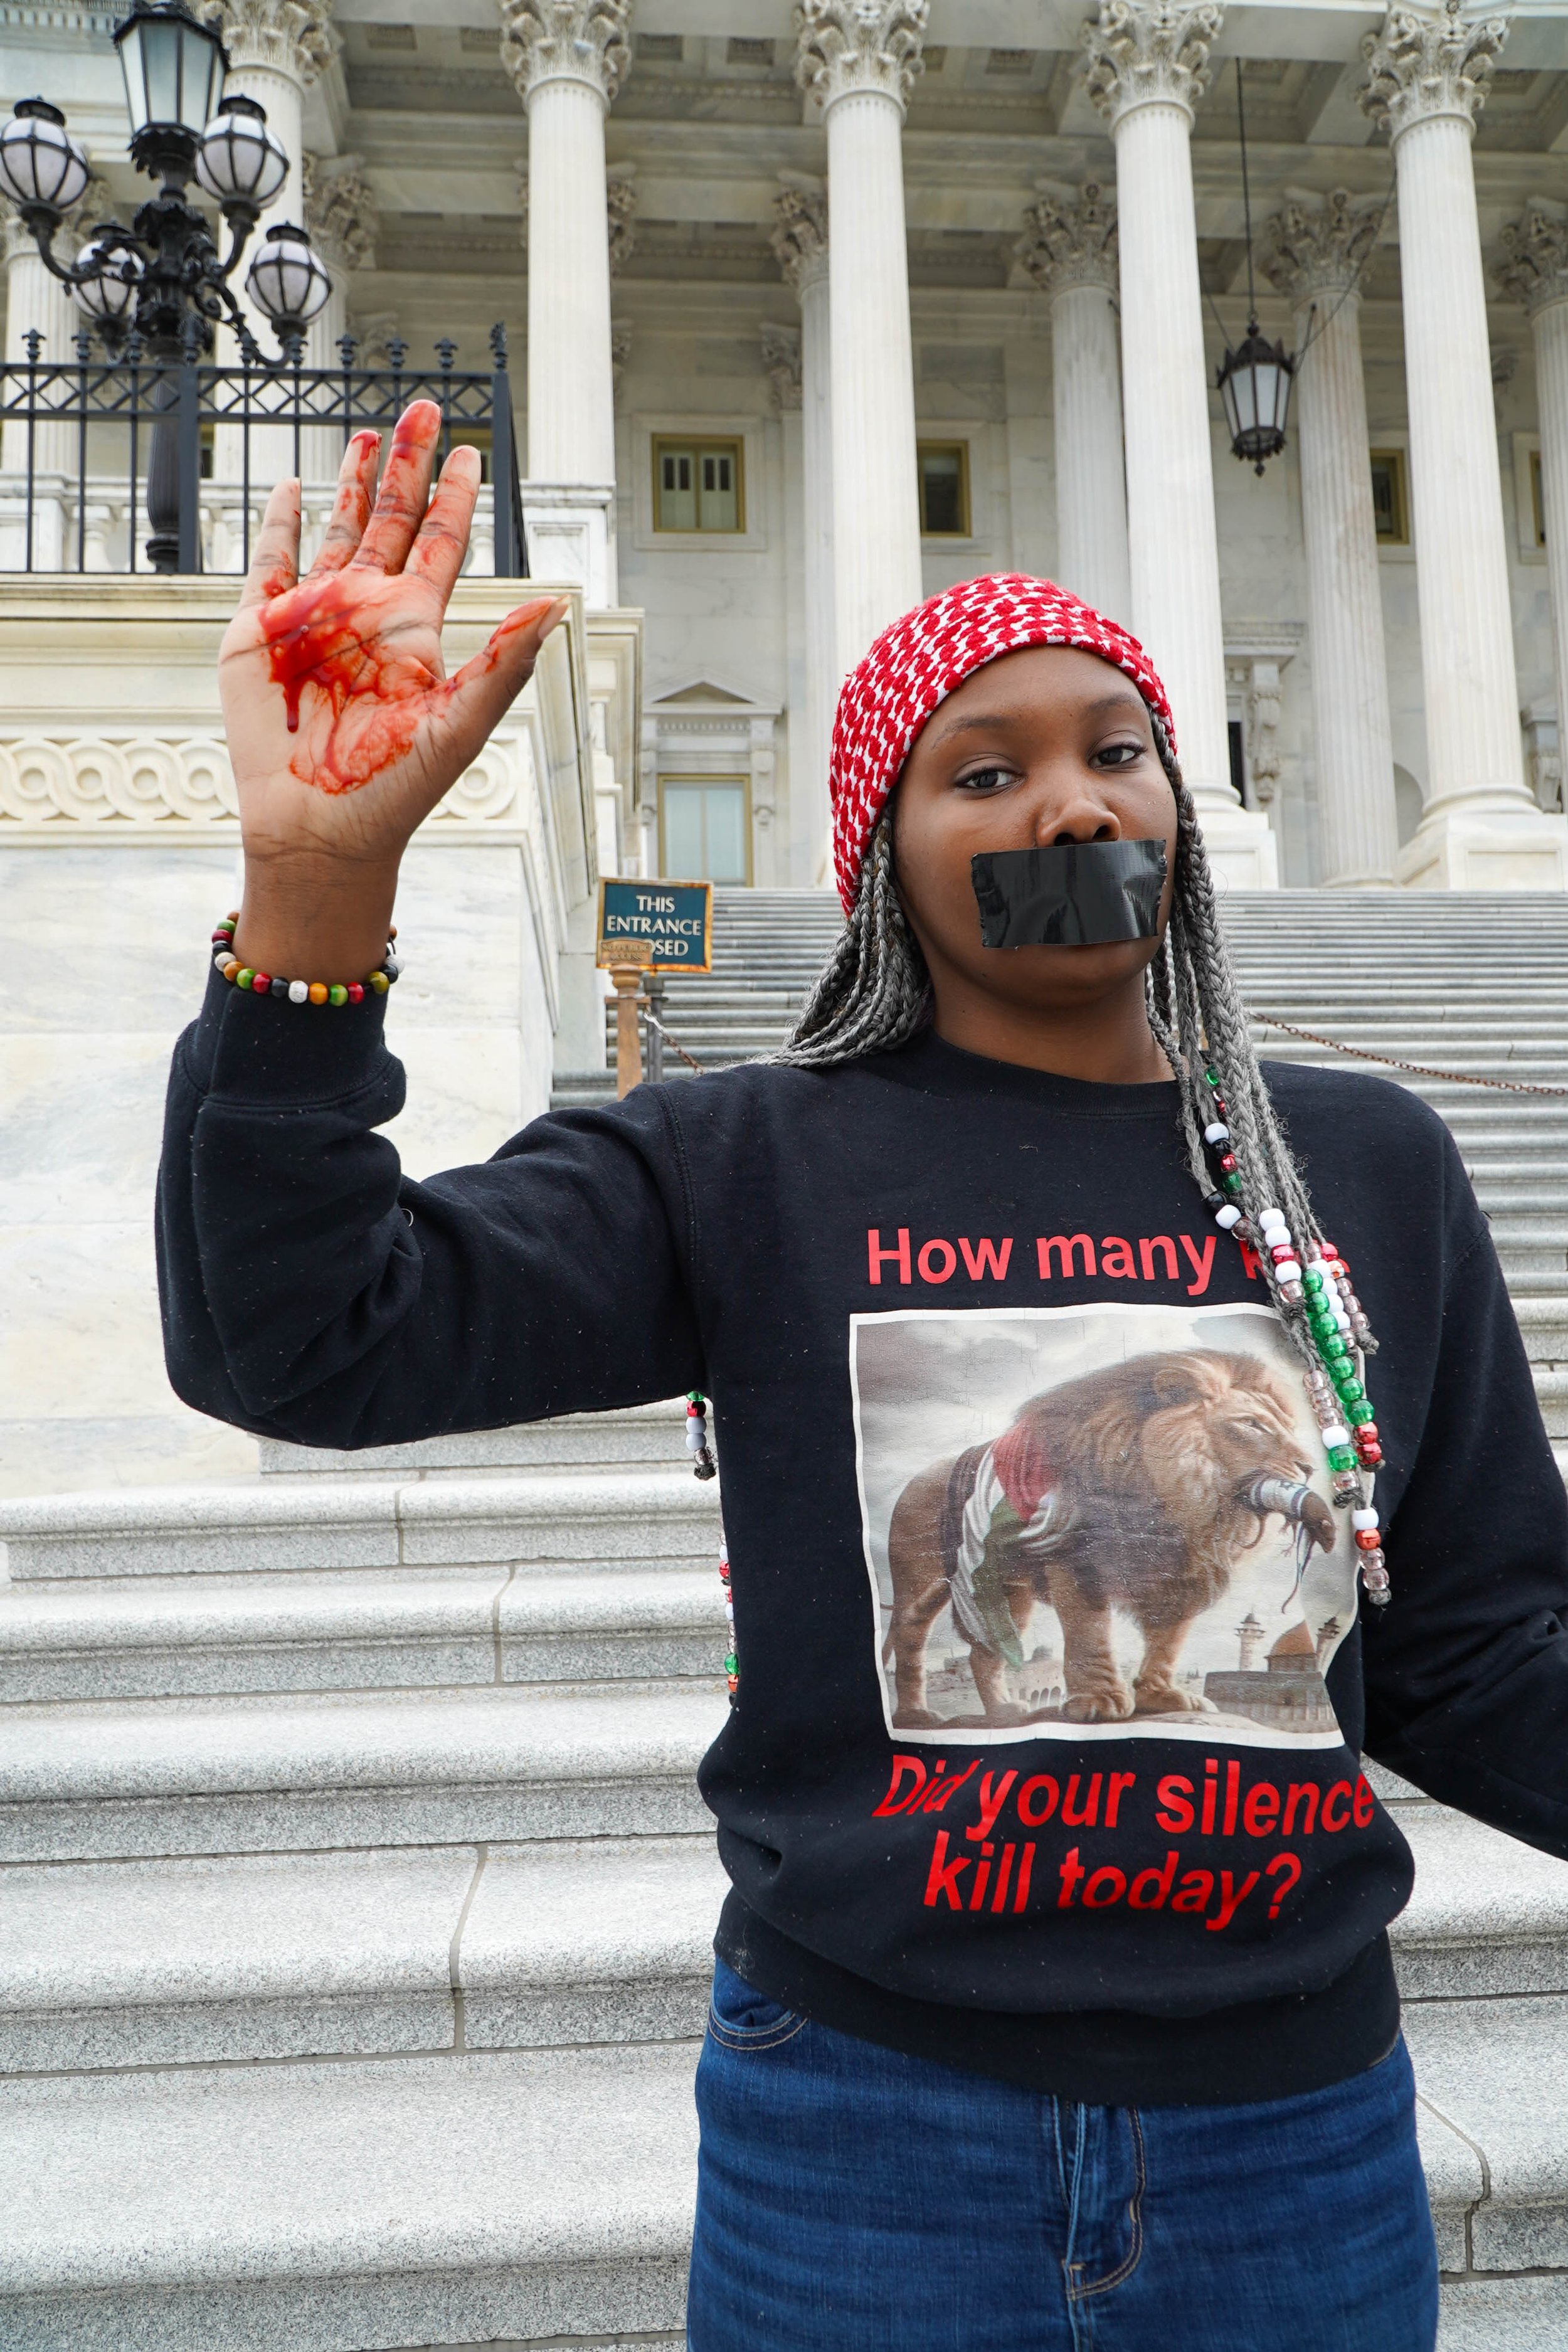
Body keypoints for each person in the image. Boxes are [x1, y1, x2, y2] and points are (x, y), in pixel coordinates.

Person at [158, 402, 1568, 2352]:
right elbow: (299, 1340)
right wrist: (316, 890)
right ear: (880, 854)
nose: (1069, 809)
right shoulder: (737, 1156)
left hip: (1293, 2136)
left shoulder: (1363, 1162)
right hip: (866, 2128)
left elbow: (1478, 1648)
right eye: (981, 773)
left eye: (1117, 754)